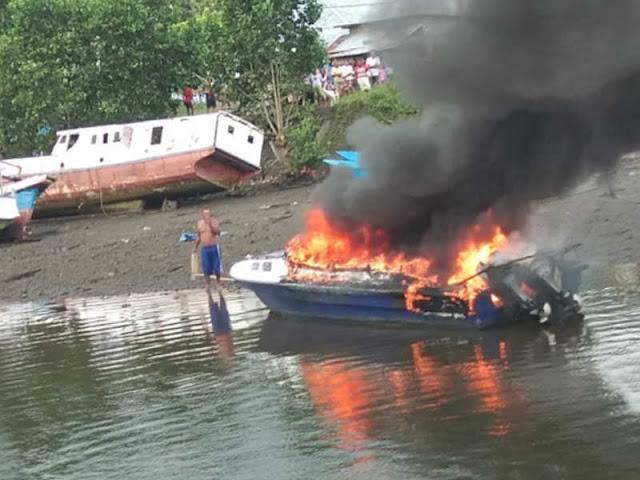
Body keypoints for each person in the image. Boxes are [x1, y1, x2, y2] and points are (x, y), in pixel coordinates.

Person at [193, 208, 222, 293]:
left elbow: (218, 232)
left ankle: (218, 283)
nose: (207, 215)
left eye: (208, 213)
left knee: (217, 268)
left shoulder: (214, 221)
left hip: (213, 247)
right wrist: (195, 246)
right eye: (205, 214)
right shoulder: (200, 223)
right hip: (205, 248)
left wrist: (210, 225)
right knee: (206, 268)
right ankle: (208, 285)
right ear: (202, 215)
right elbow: (199, 236)